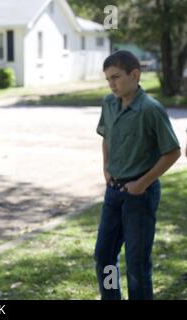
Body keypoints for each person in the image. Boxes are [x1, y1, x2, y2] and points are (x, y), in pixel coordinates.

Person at [95, 50, 181, 300]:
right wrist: (106, 168)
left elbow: (172, 152)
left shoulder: (151, 109)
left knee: (137, 264)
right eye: (108, 79)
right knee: (105, 256)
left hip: (140, 196)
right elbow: (106, 138)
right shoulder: (109, 103)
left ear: (135, 74)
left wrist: (141, 184)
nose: (112, 84)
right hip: (113, 193)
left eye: (116, 77)